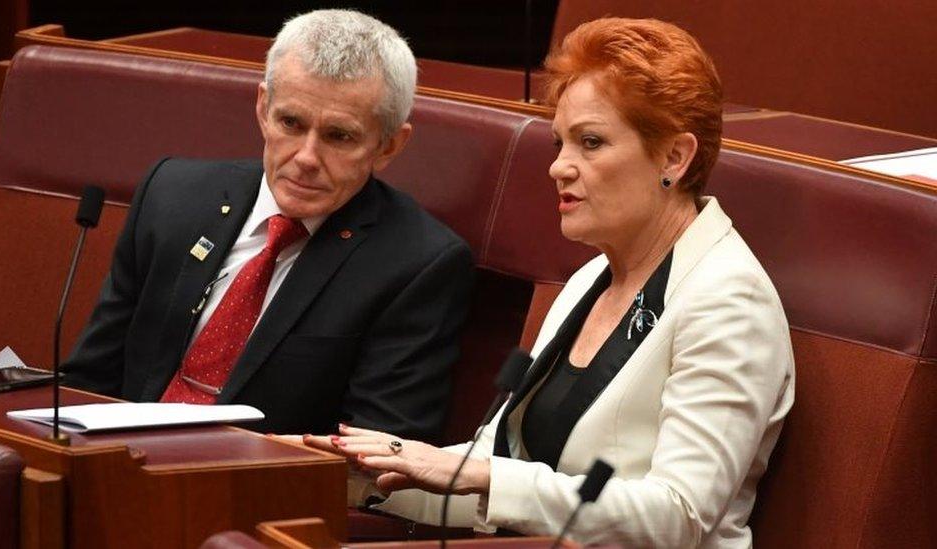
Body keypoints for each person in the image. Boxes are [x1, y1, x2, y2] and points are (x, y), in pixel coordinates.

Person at [304, 17, 794, 548]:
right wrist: (341, 472)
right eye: (560, 142)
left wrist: (487, 475)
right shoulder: (591, 278)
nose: (559, 167)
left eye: (591, 142)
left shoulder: (728, 300)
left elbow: (677, 518)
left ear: (674, 157)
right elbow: (488, 473)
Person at [63, 9, 473, 439]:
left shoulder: (418, 265)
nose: (307, 158)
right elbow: (90, 380)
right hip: (112, 464)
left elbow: (378, 448)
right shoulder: (173, 195)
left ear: (389, 145)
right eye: (291, 123)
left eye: (339, 136)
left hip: (257, 491)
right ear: (263, 108)